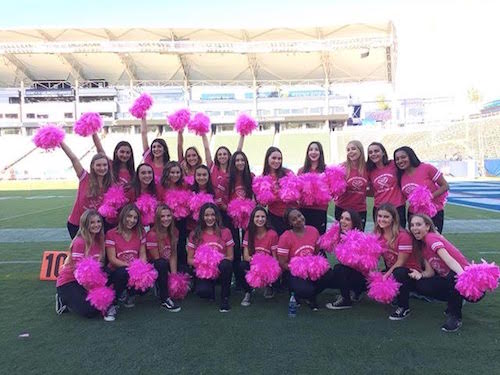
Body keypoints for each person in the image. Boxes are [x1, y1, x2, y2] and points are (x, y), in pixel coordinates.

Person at [390, 214, 469, 332]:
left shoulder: (431, 238)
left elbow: (449, 259)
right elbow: (430, 272)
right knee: (417, 282)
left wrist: (464, 278)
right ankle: (454, 299)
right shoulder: (422, 245)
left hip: (467, 281)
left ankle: (455, 316)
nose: (414, 228)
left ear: (427, 226)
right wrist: (420, 275)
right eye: (412, 225)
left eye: (418, 224)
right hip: (448, 280)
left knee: (453, 277)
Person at [277, 208, 336, 310]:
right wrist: (299, 269)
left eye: (299, 216)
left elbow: (316, 252)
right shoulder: (285, 237)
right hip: (294, 272)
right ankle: (296, 292)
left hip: (311, 270)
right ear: (290, 223)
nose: (298, 219)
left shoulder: (313, 230)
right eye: (294, 219)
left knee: (329, 274)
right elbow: (282, 263)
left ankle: (310, 294)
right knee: (305, 290)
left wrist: (312, 268)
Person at [55, 209, 106, 319]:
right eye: (92, 222)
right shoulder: (79, 242)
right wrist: (90, 290)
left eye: (98, 221)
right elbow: (78, 272)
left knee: (102, 305)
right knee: (90, 311)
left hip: (87, 281)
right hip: (70, 280)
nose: (96, 225)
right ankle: (62, 298)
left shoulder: (100, 240)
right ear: (85, 224)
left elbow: (98, 267)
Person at [187, 203, 234, 312]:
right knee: (203, 292)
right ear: (202, 217)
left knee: (226, 264)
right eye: (206, 215)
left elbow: (230, 257)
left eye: (213, 215)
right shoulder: (195, 234)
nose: (210, 218)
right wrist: (205, 262)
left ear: (217, 216)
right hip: (204, 271)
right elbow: (189, 259)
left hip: (220, 268)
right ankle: (209, 288)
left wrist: (215, 261)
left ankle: (224, 297)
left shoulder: (225, 232)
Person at [60, 141, 112, 238]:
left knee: (96, 253)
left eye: (105, 165)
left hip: (96, 226)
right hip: (77, 224)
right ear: (92, 166)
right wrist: (60, 141)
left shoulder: (110, 185)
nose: (102, 168)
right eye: (98, 165)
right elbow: (73, 159)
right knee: (80, 251)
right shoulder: (84, 177)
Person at [105, 204, 147, 320]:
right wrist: (131, 268)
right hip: (117, 271)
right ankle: (112, 304)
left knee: (147, 278)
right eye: (129, 216)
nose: (132, 220)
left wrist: (142, 270)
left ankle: (130, 294)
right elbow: (112, 259)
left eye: (135, 218)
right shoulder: (111, 234)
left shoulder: (140, 232)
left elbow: (143, 254)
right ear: (123, 216)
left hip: (134, 270)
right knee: (123, 272)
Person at [394, 146, 449, 233]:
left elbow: (445, 186)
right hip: (414, 214)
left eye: (403, 157)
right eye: (397, 159)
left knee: (433, 240)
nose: (400, 161)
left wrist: (429, 197)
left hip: (433, 213)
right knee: (416, 243)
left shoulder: (426, 168)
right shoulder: (400, 176)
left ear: (411, 156)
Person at [325, 209, 366, 310]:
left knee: (339, 269)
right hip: (350, 274)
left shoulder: (359, 238)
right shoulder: (339, 236)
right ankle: (352, 292)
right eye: (342, 218)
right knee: (328, 274)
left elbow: (364, 267)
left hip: (362, 278)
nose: (343, 221)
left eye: (347, 219)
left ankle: (346, 299)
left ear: (354, 223)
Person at [240, 206, 279, 306]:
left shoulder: (272, 234)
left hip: (268, 266)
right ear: (253, 218)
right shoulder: (249, 233)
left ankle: (269, 286)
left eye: (263, 217)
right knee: (242, 265)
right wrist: (257, 263)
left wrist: (268, 267)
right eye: (257, 217)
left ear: (266, 219)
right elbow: (246, 256)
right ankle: (248, 292)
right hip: (253, 263)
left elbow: (275, 257)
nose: (260, 219)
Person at [227, 150, 254, 290]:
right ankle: (238, 279)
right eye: (237, 160)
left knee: (247, 248)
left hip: (248, 218)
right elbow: (224, 199)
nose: (240, 163)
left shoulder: (251, 177)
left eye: (242, 160)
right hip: (232, 218)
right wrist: (232, 209)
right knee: (235, 248)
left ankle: (249, 278)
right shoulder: (229, 179)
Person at [146, 204, 181, 312]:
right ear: (157, 218)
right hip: (153, 265)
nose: (166, 219)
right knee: (161, 263)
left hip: (166, 263)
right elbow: (156, 258)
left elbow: (173, 254)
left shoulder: (174, 232)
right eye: (162, 216)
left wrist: (174, 277)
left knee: (183, 271)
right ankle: (165, 299)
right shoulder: (152, 234)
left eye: (168, 216)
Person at [159, 161, 190, 271]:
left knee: (180, 245)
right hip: (164, 221)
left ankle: (181, 270)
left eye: (178, 172)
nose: (175, 175)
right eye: (172, 172)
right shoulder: (161, 187)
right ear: (167, 173)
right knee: (166, 245)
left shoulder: (184, 185)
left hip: (180, 221)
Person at [366, 142, 406, 228]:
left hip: (397, 207)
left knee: (399, 235)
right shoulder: (369, 171)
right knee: (382, 237)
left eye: (376, 151)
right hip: (379, 209)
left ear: (383, 152)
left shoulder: (393, 164)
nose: (373, 154)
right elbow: (367, 190)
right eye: (370, 152)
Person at [334, 140, 368, 230]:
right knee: (340, 237)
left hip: (360, 209)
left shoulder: (368, 168)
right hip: (342, 208)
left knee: (358, 238)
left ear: (360, 150)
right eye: (348, 150)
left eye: (353, 149)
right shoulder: (342, 167)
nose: (350, 152)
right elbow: (334, 188)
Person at [298, 141, 328, 234]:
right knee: (304, 237)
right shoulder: (301, 170)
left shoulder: (326, 170)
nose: (313, 152)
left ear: (321, 152)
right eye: (310, 150)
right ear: (307, 153)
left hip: (320, 210)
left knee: (319, 238)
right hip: (304, 209)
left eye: (316, 149)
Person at [262, 146, 292, 235]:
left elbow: (295, 195)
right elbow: (263, 203)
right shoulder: (263, 178)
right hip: (274, 216)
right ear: (267, 158)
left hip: (290, 215)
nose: (277, 161)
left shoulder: (288, 173)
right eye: (274, 158)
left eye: (279, 158)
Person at [141, 117, 170, 186]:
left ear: (164, 149)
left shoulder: (168, 166)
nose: (156, 149)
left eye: (159, 146)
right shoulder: (148, 160)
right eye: (154, 147)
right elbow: (143, 134)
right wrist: (143, 116)